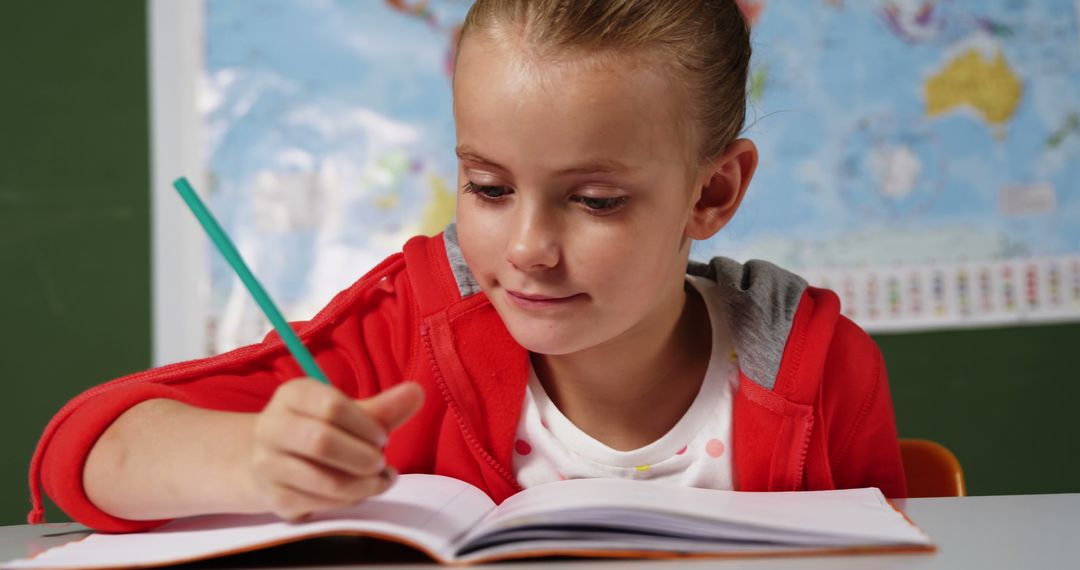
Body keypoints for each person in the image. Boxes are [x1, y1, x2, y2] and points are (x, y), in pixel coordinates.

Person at [28, 0, 906, 533]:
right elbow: (88, 450)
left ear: (712, 192)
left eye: (596, 200)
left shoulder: (819, 370)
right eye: (488, 186)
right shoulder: (405, 330)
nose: (526, 246)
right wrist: (253, 457)